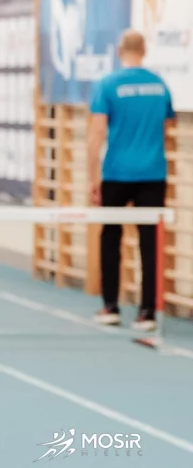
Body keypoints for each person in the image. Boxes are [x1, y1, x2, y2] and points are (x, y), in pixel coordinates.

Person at [87, 29, 175, 331]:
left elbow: (97, 132)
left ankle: (110, 305)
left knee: (110, 237)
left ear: (118, 51)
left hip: (117, 172)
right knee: (150, 243)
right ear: (145, 49)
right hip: (153, 173)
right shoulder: (160, 86)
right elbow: (165, 131)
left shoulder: (108, 85)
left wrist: (92, 176)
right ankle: (148, 311)